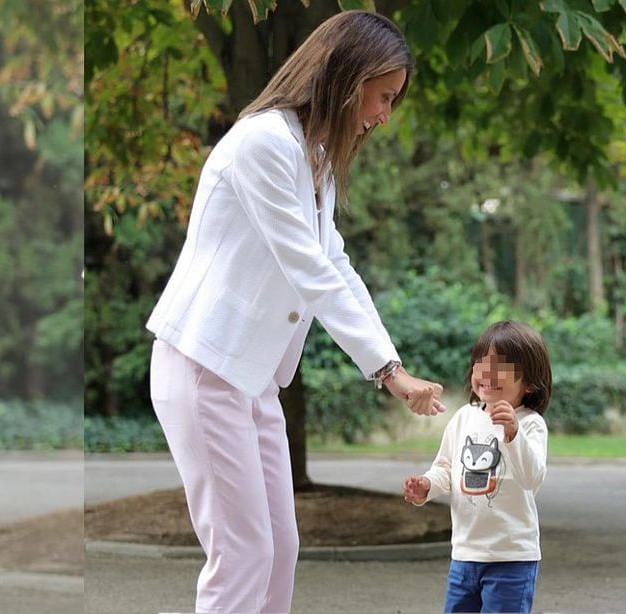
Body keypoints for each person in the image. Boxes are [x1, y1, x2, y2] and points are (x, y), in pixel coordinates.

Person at [145, 11, 444, 614]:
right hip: (205, 367)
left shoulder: (315, 160)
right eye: (383, 96)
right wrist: (389, 376)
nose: (384, 115)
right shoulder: (263, 143)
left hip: (251, 379)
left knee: (280, 547)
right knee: (243, 553)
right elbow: (307, 270)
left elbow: (336, 265)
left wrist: (391, 360)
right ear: (347, 76)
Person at [403, 320, 552, 613]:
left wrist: (512, 434)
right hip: (465, 554)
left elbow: (531, 479)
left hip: (511, 557)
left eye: (500, 366)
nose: (487, 373)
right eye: (481, 363)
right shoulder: (464, 418)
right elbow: (445, 468)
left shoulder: (530, 424)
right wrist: (426, 486)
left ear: (530, 382)